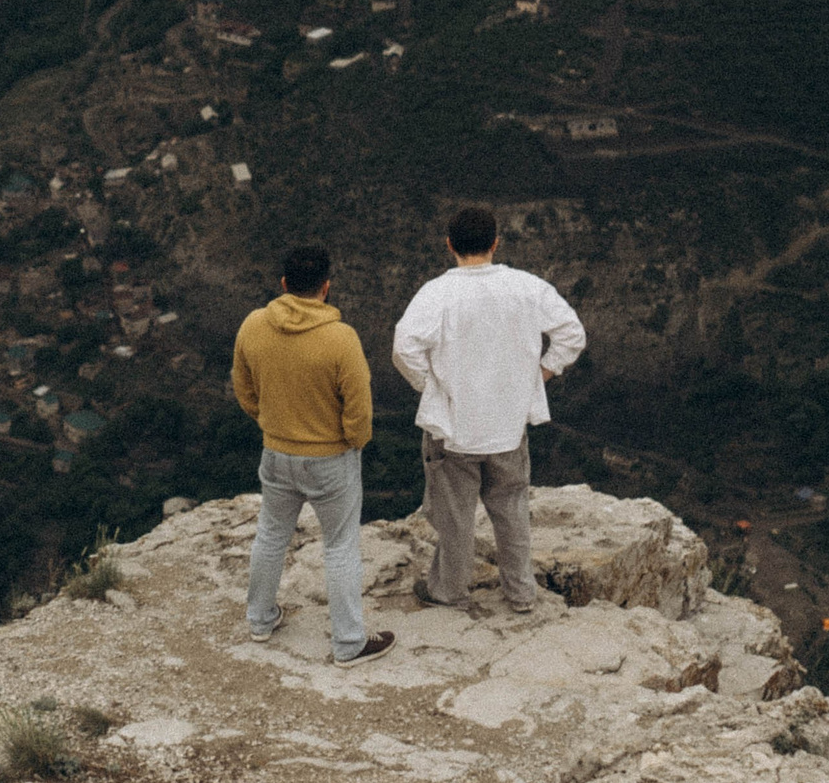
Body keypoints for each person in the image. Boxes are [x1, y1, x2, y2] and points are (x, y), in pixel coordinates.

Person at [390, 206, 586, 615]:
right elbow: (572, 333)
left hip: (453, 427)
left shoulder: (437, 293)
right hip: (509, 426)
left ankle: (450, 591)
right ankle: (521, 594)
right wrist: (540, 375)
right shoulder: (526, 287)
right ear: (496, 242)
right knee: (511, 512)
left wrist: (432, 387)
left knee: (455, 517)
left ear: (450, 245)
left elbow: (404, 348)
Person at [231, 245, 395, 666]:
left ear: (284, 285)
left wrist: (270, 422)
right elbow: (359, 406)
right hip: (330, 458)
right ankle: (348, 643)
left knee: (271, 534)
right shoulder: (341, 338)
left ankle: (260, 619)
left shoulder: (253, 325)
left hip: (276, 450)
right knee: (340, 546)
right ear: (326, 288)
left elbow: (243, 387)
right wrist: (352, 440)